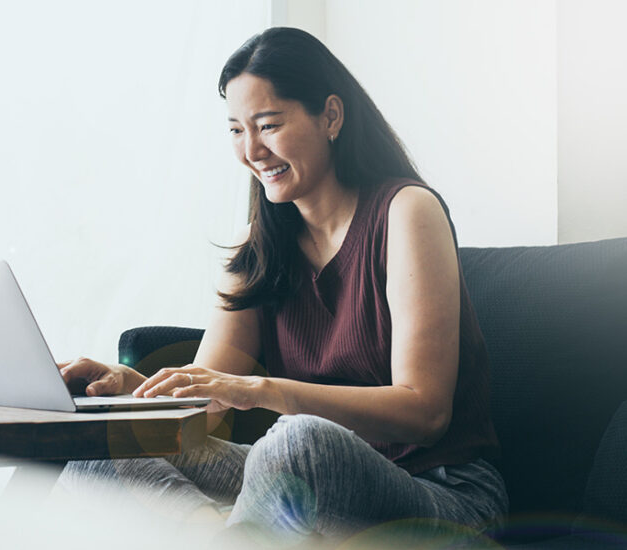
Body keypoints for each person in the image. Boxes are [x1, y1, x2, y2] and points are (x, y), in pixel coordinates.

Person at [55, 27, 507, 547]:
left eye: (268, 125)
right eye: (235, 130)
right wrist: (128, 388)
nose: (252, 151)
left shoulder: (406, 212)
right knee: (105, 441)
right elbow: (207, 400)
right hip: (296, 484)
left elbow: (426, 412)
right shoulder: (259, 247)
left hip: (443, 497)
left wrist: (266, 392)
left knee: (297, 441)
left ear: (331, 117)